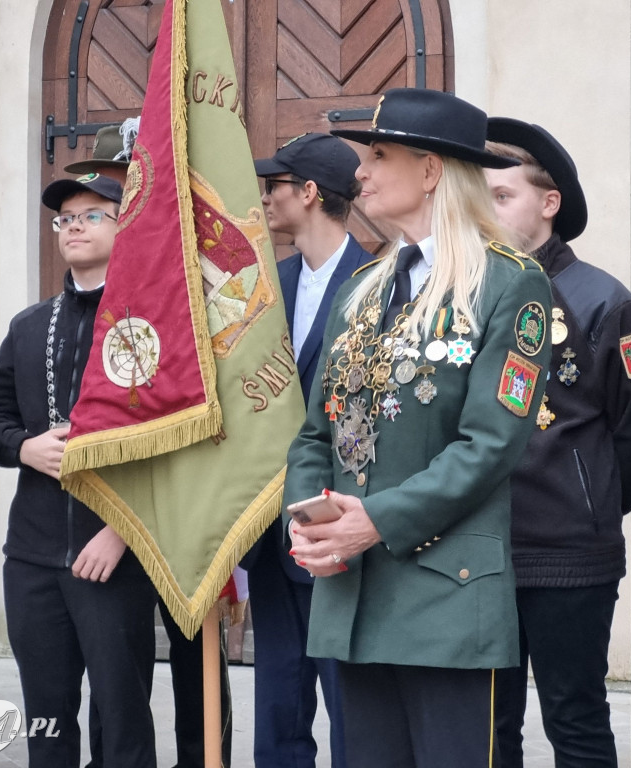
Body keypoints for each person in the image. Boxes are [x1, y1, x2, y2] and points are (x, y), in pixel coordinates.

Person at [283, 87, 554, 768]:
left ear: (431, 170)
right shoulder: (362, 289)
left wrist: (372, 519)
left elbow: (489, 445)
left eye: (378, 154)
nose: (361, 173)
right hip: (355, 594)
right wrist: (310, 516)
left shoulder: (508, 283)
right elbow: (315, 432)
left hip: (446, 600)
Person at [484, 118, 631, 768]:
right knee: (486, 726)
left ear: (548, 203)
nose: (486, 210)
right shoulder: (470, 297)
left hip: (568, 560)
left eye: (501, 196)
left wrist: (587, 501)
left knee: (576, 719)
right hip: (481, 554)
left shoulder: (605, 304)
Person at [0, 173, 156, 767]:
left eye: (91, 214)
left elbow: (179, 444)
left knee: (122, 719)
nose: (73, 225)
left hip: (113, 555)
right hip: (32, 556)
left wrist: (123, 533)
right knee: (47, 721)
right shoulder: (30, 325)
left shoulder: (155, 322)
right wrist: (25, 448)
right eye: (64, 218)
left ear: (123, 224)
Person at [67, 118, 234, 768]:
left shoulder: (190, 287)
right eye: (113, 187)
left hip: (186, 507)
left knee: (199, 667)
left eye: (128, 185)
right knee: (116, 677)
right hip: (117, 513)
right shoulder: (96, 299)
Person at [247, 131, 371, 768]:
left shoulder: (378, 282)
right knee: (277, 704)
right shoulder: (269, 283)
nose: (265, 196)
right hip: (270, 534)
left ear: (311, 193)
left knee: (351, 705)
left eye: (276, 185)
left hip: (337, 528)